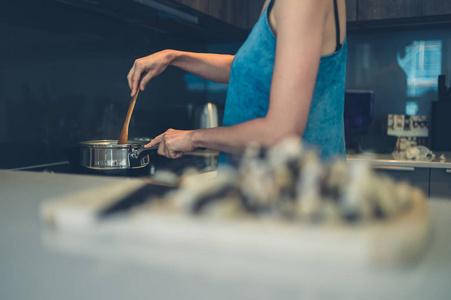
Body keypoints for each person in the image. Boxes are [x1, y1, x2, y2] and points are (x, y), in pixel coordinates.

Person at [127, 0, 347, 161]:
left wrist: (193, 137)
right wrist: (172, 57)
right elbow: (253, 70)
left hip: (292, 197)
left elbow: (281, 134)